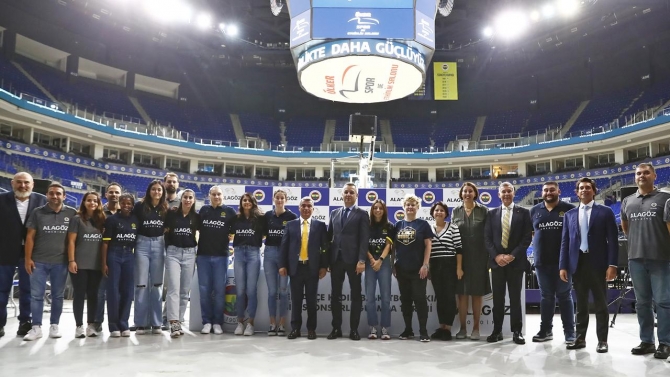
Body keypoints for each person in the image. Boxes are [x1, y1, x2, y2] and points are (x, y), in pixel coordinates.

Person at [560, 177, 618, 353]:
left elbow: (613, 241)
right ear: (576, 192)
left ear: (594, 190)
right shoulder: (569, 215)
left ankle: (602, 341)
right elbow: (565, 242)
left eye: (588, 187)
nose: (584, 190)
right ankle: (580, 338)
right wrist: (563, 266)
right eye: (581, 188)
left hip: (598, 264)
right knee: (581, 305)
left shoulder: (605, 212)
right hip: (577, 265)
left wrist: (613, 264)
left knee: (601, 304)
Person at [620, 163, 670, 359]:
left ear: (654, 176)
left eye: (646, 172)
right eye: (638, 173)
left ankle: (665, 343)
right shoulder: (627, 201)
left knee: (664, 302)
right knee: (642, 303)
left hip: (661, 258)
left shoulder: (666, 199)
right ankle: (647, 341)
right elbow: (626, 228)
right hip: (636, 259)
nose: (642, 176)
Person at [23, 182, 77, 341]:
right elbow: (30, 237)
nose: (55, 196)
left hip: (60, 262)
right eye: (51, 193)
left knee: (58, 295)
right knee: (36, 296)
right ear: (47, 195)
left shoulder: (72, 213)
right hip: (38, 261)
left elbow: (74, 239)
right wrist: (28, 259)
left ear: (64, 196)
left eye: (58, 193)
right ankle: (36, 327)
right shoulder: (37, 212)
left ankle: (54, 325)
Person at [484, 182, 532, 345]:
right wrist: (497, 256)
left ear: (514, 193)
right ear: (499, 194)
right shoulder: (491, 214)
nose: (506, 194)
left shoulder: (524, 213)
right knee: (497, 299)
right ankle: (496, 331)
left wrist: (512, 256)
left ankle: (517, 331)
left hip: (516, 263)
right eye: (503, 191)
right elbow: (487, 238)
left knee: (515, 299)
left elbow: (527, 238)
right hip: (497, 264)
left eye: (509, 191)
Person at [0, 172, 46, 338]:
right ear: (12, 183)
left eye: (26, 183)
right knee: (1, 290)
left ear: (32, 184)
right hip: (4, 252)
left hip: (30, 254)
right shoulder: (1, 199)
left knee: (28, 290)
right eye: (19, 182)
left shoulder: (42, 200)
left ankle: (26, 322)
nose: (23, 186)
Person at [530, 182, 576, 343]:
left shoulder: (569, 208)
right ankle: (545, 330)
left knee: (564, 296)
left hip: (563, 263)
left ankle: (570, 332)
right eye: (545, 190)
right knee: (546, 297)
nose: (549, 192)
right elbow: (531, 234)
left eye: (552, 190)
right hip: (542, 262)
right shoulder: (534, 211)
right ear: (542, 193)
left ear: (558, 191)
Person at [279, 197, 328, 340]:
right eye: (303, 206)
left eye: (309, 206)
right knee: (296, 300)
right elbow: (284, 247)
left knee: (312, 301)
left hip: (312, 268)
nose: (306, 208)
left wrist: (324, 266)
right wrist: (282, 265)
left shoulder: (320, 225)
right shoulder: (290, 225)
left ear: (313, 209)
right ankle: (296, 329)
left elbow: (324, 247)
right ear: (299, 208)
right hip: (295, 268)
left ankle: (311, 329)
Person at [327, 182, 370, 341]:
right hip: (336, 261)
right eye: (346, 192)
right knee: (335, 296)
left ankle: (354, 330)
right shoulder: (334, 213)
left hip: (354, 262)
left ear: (356, 195)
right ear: (342, 194)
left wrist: (361, 260)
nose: (348, 195)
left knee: (356, 296)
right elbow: (329, 238)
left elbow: (364, 239)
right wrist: (327, 261)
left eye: (352, 192)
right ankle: (336, 328)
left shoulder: (362, 214)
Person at [451, 182, 490, 341]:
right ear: (461, 194)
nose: (467, 194)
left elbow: (488, 234)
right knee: (461, 294)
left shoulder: (484, 210)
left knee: (476, 293)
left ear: (475, 193)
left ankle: (476, 328)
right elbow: (453, 235)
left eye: (470, 191)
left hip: (479, 257)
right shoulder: (455, 211)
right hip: (460, 257)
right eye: (465, 191)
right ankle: (462, 328)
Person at [197, 185, 236, 335]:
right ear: (209, 195)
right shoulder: (204, 210)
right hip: (203, 256)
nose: (216, 197)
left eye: (219, 194)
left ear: (223, 196)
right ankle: (206, 321)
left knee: (220, 291)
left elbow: (234, 231)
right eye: (213, 194)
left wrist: (231, 235)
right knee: (204, 290)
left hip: (221, 256)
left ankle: (217, 322)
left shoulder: (230, 212)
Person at [394, 194, 432, 342]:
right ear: (403, 207)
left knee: (420, 300)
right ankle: (408, 329)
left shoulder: (423, 225)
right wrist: (393, 264)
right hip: (402, 270)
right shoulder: (398, 225)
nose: (410, 207)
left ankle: (423, 331)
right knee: (405, 301)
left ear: (418, 207)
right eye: (407, 204)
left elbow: (428, 245)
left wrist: (425, 264)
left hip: (418, 270)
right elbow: (392, 247)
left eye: (413, 204)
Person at [67, 191, 106, 338]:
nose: (92, 203)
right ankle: (79, 326)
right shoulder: (77, 219)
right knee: (79, 294)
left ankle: (91, 325)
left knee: (93, 295)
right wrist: (71, 260)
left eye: (95, 201)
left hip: (96, 265)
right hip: (80, 263)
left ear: (98, 203)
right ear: (84, 202)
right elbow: (71, 241)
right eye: (89, 200)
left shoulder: (102, 220)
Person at [133, 180, 168, 335]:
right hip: (142, 244)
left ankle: (156, 323)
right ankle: (141, 323)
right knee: (141, 285)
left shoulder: (166, 208)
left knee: (156, 285)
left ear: (163, 192)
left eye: (159, 190)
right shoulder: (139, 206)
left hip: (159, 245)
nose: (156, 192)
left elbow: (168, 227)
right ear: (149, 191)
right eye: (154, 189)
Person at [230, 193, 267, 336]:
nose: (246, 202)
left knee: (251, 291)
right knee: (240, 291)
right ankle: (240, 322)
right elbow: (230, 233)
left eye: (249, 200)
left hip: (253, 254)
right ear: (241, 203)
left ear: (253, 202)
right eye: (244, 200)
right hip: (238, 253)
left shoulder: (260, 219)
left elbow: (264, 235)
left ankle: (250, 323)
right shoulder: (236, 218)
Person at [102, 193, 138, 337]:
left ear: (132, 205)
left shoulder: (136, 220)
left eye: (129, 203)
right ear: (119, 204)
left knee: (128, 291)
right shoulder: (111, 220)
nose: (126, 206)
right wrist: (103, 262)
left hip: (129, 255)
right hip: (114, 254)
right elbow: (105, 243)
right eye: (123, 203)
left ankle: (124, 323)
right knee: (113, 291)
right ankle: (113, 325)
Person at [164, 189, 198, 338]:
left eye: (191, 198)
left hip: (190, 254)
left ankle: (179, 319)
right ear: (181, 198)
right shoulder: (171, 214)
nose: (188, 200)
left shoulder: (196, 217)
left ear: (194, 200)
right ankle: (173, 323)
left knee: (184, 291)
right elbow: (165, 231)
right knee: (173, 289)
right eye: (185, 197)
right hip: (173, 253)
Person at [264, 189, 297, 336]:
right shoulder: (267, 216)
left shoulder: (292, 217)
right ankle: (272, 323)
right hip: (269, 253)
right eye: (277, 198)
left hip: (285, 255)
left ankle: (282, 324)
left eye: (282, 198)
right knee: (272, 292)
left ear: (286, 200)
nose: (279, 200)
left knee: (284, 291)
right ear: (273, 199)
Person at [429, 201, 462, 341]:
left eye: (442, 210)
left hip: (450, 264)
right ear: (432, 213)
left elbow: (459, 249)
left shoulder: (453, 227)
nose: (439, 212)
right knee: (440, 297)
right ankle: (441, 326)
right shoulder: (428, 228)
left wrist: (459, 268)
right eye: (436, 210)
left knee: (449, 297)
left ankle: (448, 328)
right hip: (435, 265)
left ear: (446, 214)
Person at [365, 199, 395, 340]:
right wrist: (372, 260)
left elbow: (388, 246)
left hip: (383, 262)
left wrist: (380, 260)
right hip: (370, 262)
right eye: (375, 208)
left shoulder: (389, 226)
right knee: (369, 297)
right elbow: (363, 245)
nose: (378, 210)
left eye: (380, 208)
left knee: (385, 298)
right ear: (372, 210)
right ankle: (372, 327)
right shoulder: (367, 225)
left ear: (384, 211)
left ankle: (385, 328)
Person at [95, 182, 122, 333]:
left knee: (117, 293)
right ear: (106, 195)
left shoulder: (125, 212)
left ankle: (116, 322)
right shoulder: (99, 212)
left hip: (119, 257)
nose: (114, 195)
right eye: (111, 192)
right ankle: (97, 322)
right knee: (100, 292)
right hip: (100, 255)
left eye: (117, 192)